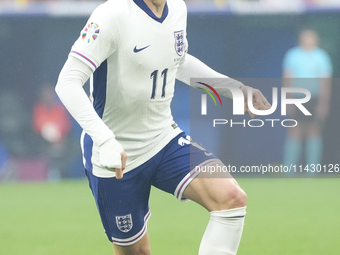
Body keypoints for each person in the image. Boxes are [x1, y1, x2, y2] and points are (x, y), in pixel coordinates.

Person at [55, 0, 271, 254]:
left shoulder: (178, 9)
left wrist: (234, 89)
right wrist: (104, 139)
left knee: (231, 198)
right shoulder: (112, 14)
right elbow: (67, 82)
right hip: (115, 155)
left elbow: (178, 61)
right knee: (137, 252)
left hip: (164, 138)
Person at [283, 29, 332, 170]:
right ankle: (289, 170)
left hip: (315, 98)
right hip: (297, 97)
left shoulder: (322, 56)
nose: (308, 40)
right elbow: (287, 78)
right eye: (305, 37)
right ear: (301, 39)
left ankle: (312, 171)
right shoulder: (292, 55)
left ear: (316, 39)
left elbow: (325, 81)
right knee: (294, 131)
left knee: (314, 131)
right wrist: (288, 100)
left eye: (311, 37)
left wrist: (323, 103)